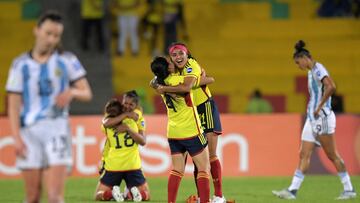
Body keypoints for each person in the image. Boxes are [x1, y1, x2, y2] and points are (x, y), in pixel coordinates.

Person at [5, 10, 93, 203]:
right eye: (48, 33)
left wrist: (72, 92)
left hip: (57, 129)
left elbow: (86, 93)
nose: (52, 39)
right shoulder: (20, 65)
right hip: (29, 132)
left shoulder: (67, 60)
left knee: (54, 197)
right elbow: (13, 104)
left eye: (56, 35)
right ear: (36, 30)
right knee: (33, 196)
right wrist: (16, 137)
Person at [272, 40, 356, 200]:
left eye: (298, 63)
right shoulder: (311, 72)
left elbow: (331, 86)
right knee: (303, 153)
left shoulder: (318, 69)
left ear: (305, 58)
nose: (298, 66)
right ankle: (292, 191)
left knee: (332, 155)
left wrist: (319, 106)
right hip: (312, 119)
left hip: (322, 118)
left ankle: (349, 189)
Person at [160, 43, 225, 203]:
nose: (178, 57)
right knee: (199, 159)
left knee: (210, 155)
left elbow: (187, 86)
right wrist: (205, 80)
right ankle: (204, 198)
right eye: (174, 55)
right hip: (191, 113)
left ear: (187, 54)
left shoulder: (191, 65)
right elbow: (156, 80)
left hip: (205, 107)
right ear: (170, 59)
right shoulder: (171, 74)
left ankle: (218, 196)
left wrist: (163, 88)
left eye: (181, 53)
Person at [150, 56, 211, 203]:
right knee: (204, 168)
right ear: (168, 68)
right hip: (191, 130)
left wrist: (160, 87)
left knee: (177, 170)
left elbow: (152, 82)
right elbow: (189, 86)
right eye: (170, 62)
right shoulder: (179, 81)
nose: (173, 62)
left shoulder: (160, 82)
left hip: (173, 132)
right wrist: (204, 76)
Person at [94, 98, 150, 202]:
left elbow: (105, 122)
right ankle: (130, 194)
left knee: (98, 195)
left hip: (113, 166)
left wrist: (103, 160)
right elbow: (138, 113)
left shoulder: (107, 127)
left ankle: (112, 194)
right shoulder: (131, 123)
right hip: (132, 165)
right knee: (147, 195)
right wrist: (127, 115)